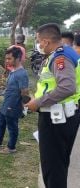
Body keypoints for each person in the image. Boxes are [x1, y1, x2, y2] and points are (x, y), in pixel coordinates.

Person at [25, 23, 80, 188]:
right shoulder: (67, 52)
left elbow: (67, 87)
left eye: (39, 41)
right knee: (59, 164)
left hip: (56, 118)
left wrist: (38, 102)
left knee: (53, 167)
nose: (38, 45)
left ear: (47, 41)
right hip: (63, 115)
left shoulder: (60, 58)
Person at [0, 46, 29, 154]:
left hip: (13, 105)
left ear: (18, 58)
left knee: (12, 126)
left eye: (9, 59)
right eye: (6, 58)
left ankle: (11, 147)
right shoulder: (13, 71)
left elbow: (24, 92)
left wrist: (24, 106)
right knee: (0, 121)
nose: (7, 61)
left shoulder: (22, 74)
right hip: (6, 103)